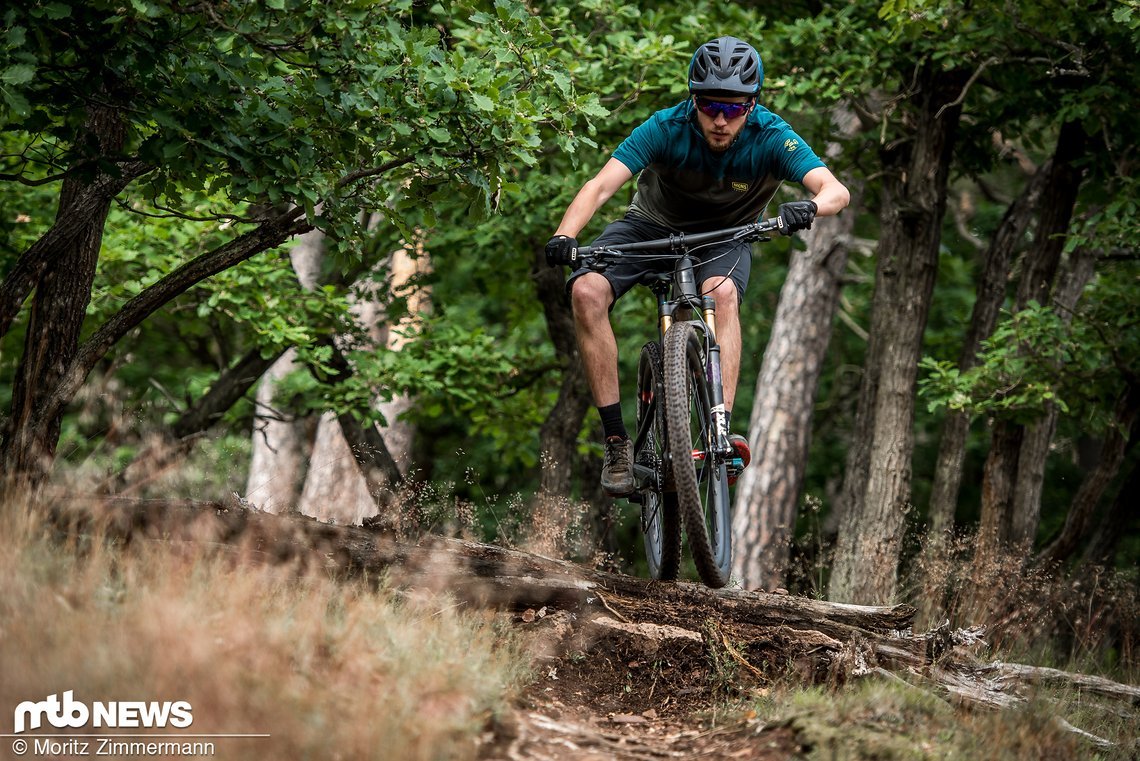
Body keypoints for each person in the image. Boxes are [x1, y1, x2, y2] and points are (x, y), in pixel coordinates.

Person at [545, 35, 850, 496]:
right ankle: (616, 441)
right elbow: (601, 185)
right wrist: (565, 235)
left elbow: (835, 191)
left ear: (753, 105)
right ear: (694, 99)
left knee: (722, 295)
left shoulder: (771, 136)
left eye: (735, 108)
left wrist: (808, 207)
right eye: (710, 106)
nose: (722, 119)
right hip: (651, 227)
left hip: (725, 237)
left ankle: (718, 433)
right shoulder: (666, 127)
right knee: (585, 291)